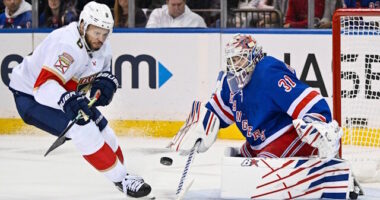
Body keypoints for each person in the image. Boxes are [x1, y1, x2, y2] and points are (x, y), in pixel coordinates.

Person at [8, 1, 151, 198]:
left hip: (62, 90)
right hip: (30, 96)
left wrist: (104, 85)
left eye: (104, 33)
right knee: (83, 128)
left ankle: (122, 174)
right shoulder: (67, 46)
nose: (100, 39)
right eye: (96, 33)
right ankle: (122, 180)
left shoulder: (103, 46)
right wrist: (66, 99)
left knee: (103, 128)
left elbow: (101, 76)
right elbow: (42, 88)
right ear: (83, 25)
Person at [170, 33, 343, 162]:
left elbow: (308, 100)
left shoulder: (268, 72)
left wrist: (318, 122)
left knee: (259, 167)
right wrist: (200, 126)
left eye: (239, 60)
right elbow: (216, 112)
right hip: (258, 142)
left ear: (254, 57)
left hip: (285, 135)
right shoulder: (229, 81)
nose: (234, 66)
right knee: (238, 161)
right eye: (231, 61)